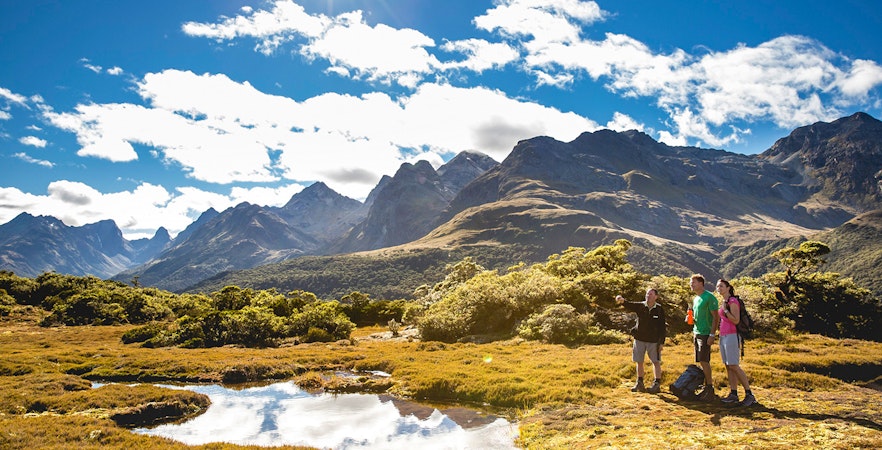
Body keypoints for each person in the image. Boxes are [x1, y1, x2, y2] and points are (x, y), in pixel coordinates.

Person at [615, 288, 666, 394]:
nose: (648, 296)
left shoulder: (659, 309)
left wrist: (661, 342)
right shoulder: (640, 306)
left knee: (656, 362)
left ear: (656, 297)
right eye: (647, 294)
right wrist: (622, 300)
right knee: (639, 361)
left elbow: (662, 327)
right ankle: (640, 383)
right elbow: (629, 305)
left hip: (654, 340)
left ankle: (657, 384)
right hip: (639, 339)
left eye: (651, 294)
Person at [716, 279, 756, 406]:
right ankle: (733, 393)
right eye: (718, 286)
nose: (719, 288)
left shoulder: (733, 301)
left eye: (721, 286)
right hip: (723, 336)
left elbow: (736, 320)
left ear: (728, 288)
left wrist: (726, 311)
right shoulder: (724, 301)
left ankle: (749, 394)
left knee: (733, 365)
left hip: (732, 335)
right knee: (728, 366)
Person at [689, 274, 719, 400]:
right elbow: (697, 317)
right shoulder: (696, 299)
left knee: (705, 360)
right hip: (697, 332)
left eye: (693, 282)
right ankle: (705, 386)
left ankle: (709, 388)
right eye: (691, 283)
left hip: (706, 333)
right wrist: (690, 319)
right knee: (701, 360)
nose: (691, 285)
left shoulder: (709, 297)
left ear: (701, 283)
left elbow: (716, 317)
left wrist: (712, 334)